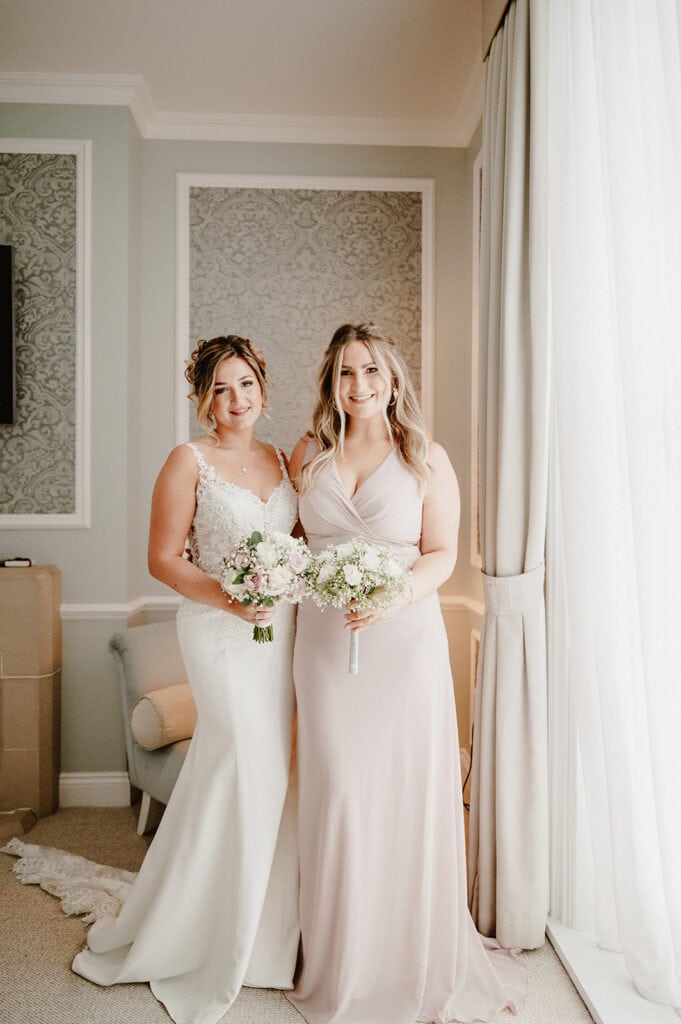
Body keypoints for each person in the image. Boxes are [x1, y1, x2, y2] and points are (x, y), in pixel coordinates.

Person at [287, 323, 527, 1024]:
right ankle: (338, 956)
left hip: (403, 643)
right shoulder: (307, 453)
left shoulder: (425, 456)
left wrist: (390, 596)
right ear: (329, 384)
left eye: (370, 372)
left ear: (394, 382)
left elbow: (441, 552)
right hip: (325, 644)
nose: (358, 386)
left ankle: (408, 954)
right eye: (344, 374)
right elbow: (291, 543)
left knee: (404, 792)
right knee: (335, 792)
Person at [72, 335, 300, 1024]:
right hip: (217, 630)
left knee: (267, 773)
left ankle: (269, 931)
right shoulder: (188, 460)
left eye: (245, 384)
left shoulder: (285, 459)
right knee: (246, 762)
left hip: (279, 632)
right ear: (203, 397)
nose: (236, 400)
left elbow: (300, 546)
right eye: (220, 389)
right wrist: (233, 598)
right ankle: (212, 940)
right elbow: (162, 559)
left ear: (262, 384)